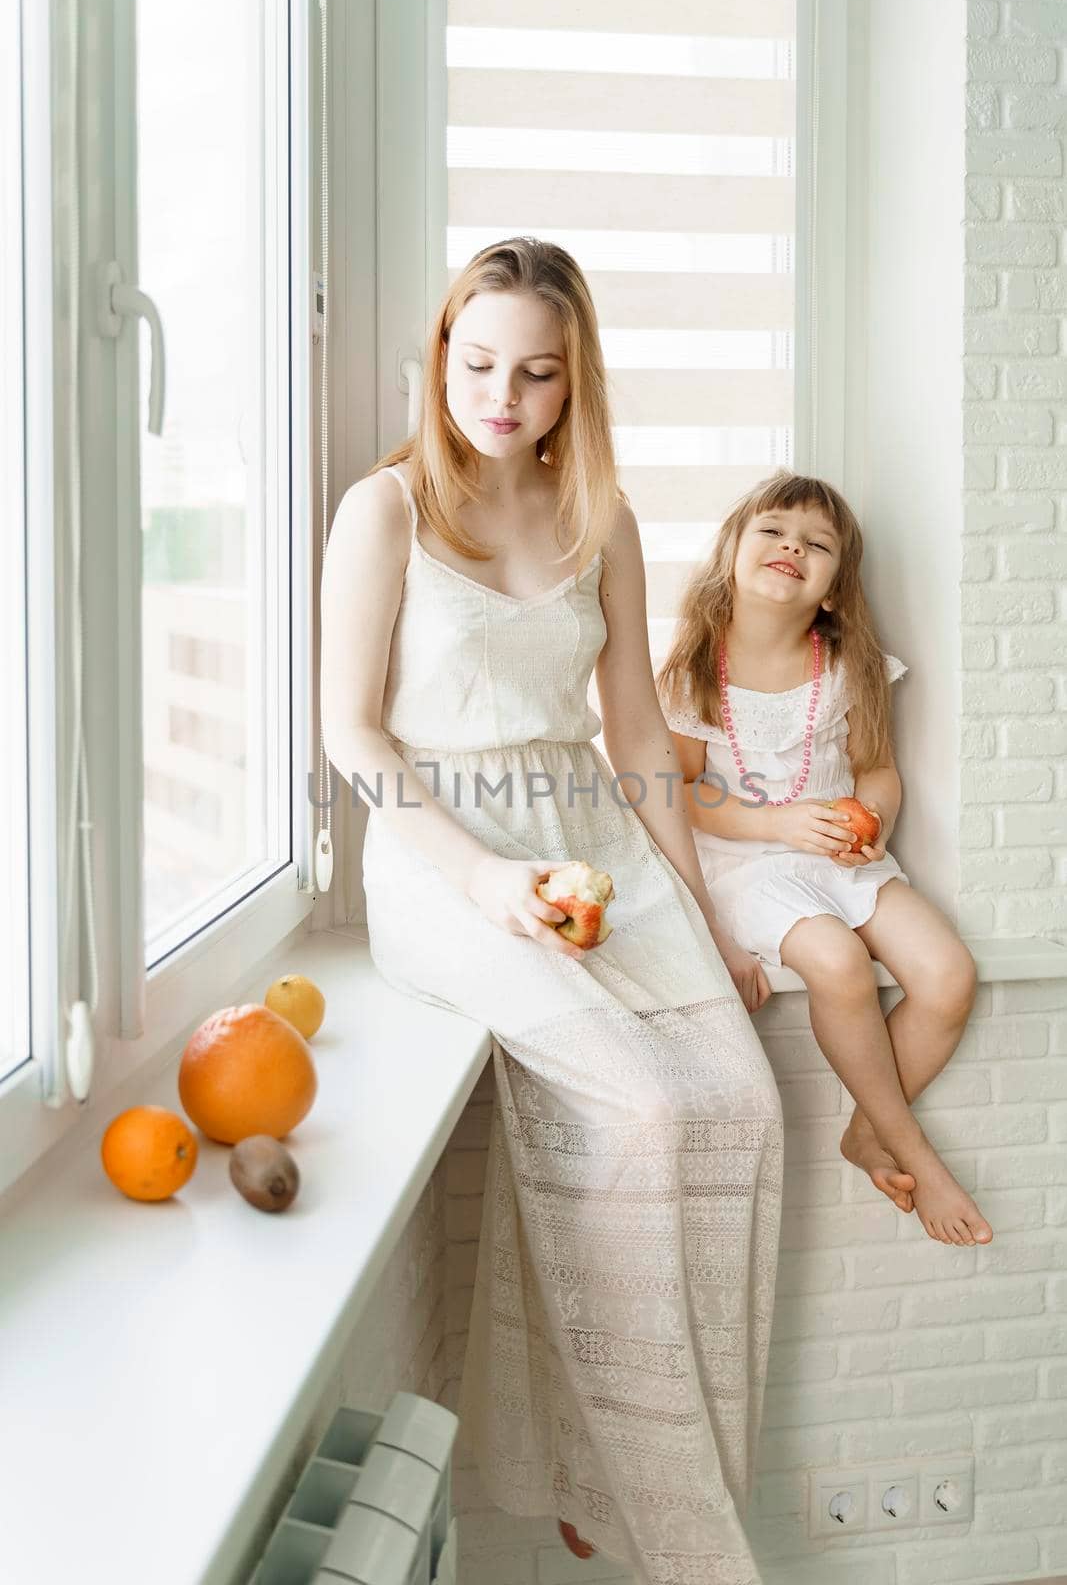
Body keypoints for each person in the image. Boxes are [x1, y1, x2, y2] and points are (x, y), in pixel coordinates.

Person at [320, 237, 784, 1584]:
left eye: (533, 372)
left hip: (590, 836)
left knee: (741, 1110)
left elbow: (632, 726)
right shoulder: (387, 511)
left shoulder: (603, 518)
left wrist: (697, 909)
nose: (500, 395)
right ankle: (681, 1544)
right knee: (637, 1109)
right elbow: (351, 733)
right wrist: (477, 879)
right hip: (442, 860)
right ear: (441, 357)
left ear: (572, 382)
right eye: (476, 365)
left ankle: (593, 1472)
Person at [656, 472, 993, 1250]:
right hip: (747, 862)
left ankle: (865, 1132)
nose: (791, 548)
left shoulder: (851, 667)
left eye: (816, 543)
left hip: (845, 862)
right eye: (772, 531)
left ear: (836, 586)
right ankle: (912, 1151)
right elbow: (675, 792)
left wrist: (873, 817)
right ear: (731, 553)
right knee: (837, 963)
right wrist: (774, 822)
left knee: (948, 977)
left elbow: (876, 768)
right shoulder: (690, 672)